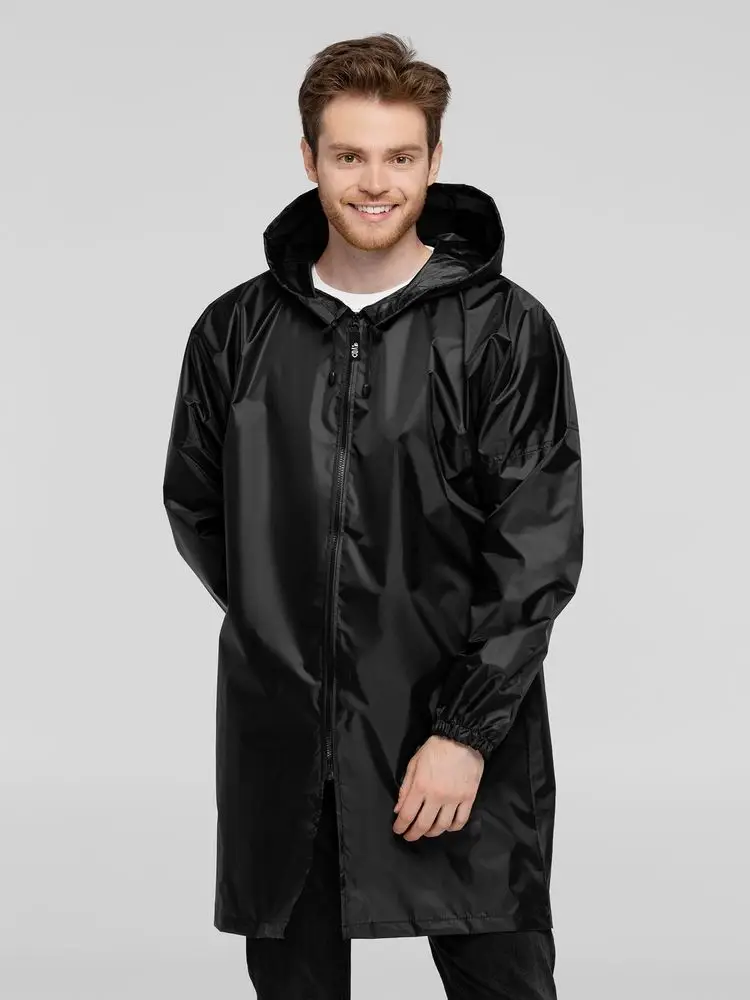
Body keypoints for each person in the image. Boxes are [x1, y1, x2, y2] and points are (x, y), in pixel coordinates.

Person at [163, 32, 584, 1000]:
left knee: (502, 975)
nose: (375, 184)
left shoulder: (504, 329)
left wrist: (466, 731)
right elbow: (198, 503)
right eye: (349, 155)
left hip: (458, 727)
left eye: (400, 157)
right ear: (309, 158)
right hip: (287, 732)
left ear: (434, 162)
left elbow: (535, 545)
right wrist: (291, 626)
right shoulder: (235, 332)